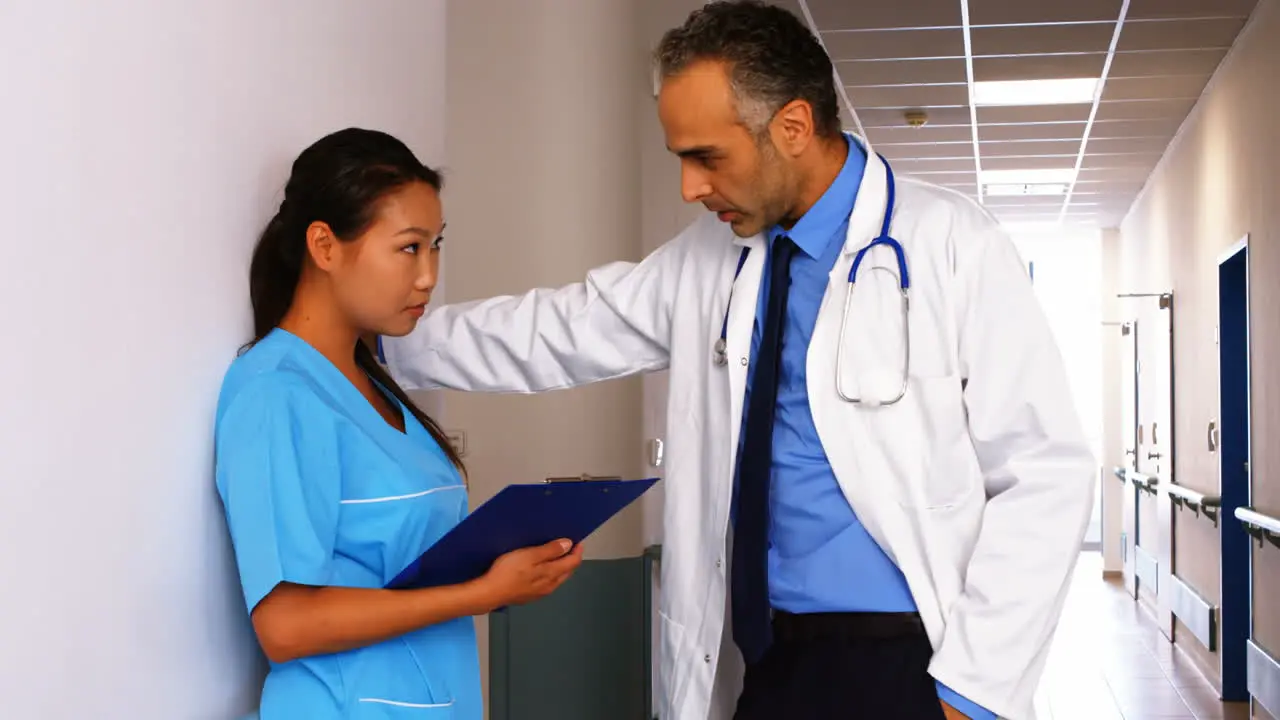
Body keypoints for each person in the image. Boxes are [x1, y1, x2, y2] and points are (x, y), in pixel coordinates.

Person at [378, 2, 1095, 719]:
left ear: (792, 127)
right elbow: (562, 329)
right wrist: (379, 342)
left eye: (707, 157)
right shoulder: (708, 260)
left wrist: (973, 691)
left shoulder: (951, 244)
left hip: (905, 660)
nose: (690, 187)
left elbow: (1044, 473)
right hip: (764, 656)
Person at [213, 127, 584, 720]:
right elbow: (283, 624)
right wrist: (482, 594)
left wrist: (498, 564)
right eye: (409, 248)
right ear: (324, 246)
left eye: (436, 246)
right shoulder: (275, 393)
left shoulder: (373, 382)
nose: (428, 275)